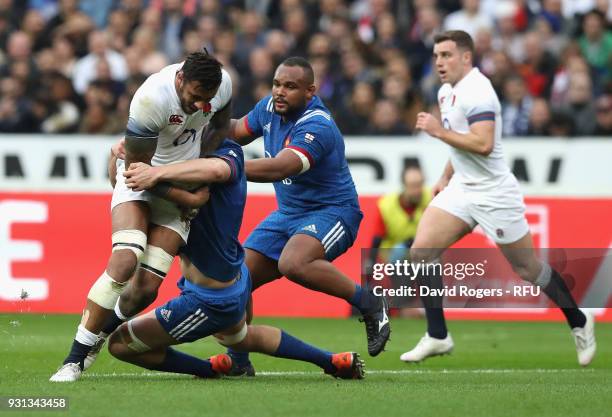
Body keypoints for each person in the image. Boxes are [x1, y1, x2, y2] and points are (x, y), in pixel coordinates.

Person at [400, 31, 595, 366]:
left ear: (465, 57)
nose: (439, 63)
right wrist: (446, 175)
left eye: (446, 55)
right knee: (421, 252)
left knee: (527, 268)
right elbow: (460, 140)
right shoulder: (447, 92)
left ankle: (579, 321)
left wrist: (437, 131)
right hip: (463, 187)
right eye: (435, 56)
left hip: (494, 192)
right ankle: (437, 335)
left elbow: (483, 143)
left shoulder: (479, 91)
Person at [107, 139, 365, 380]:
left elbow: (145, 197)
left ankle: (210, 370)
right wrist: (117, 159)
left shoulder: (193, 181)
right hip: (235, 276)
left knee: (120, 344)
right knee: (241, 338)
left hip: (209, 300)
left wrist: (146, 172)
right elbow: (132, 188)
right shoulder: (220, 162)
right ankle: (331, 361)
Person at [50, 51, 233, 382]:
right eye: (193, 97)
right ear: (180, 79)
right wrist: (188, 196)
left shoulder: (221, 88)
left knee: (146, 290)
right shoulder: (151, 99)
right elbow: (137, 175)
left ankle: (100, 334)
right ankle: (74, 360)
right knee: (125, 260)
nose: (198, 106)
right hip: (143, 179)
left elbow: (221, 128)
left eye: (205, 100)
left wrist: (199, 168)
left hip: (178, 184)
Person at [226, 57, 390, 373]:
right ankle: (239, 361)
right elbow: (235, 130)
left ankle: (368, 302)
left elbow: (282, 166)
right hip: (287, 213)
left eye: (290, 86)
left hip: (333, 212)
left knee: (294, 263)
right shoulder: (268, 108)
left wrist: (224, 168)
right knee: (236, 279)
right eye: (276, 84)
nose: (280, 92)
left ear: (310, 91)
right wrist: (196, 128)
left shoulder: (318, 125)